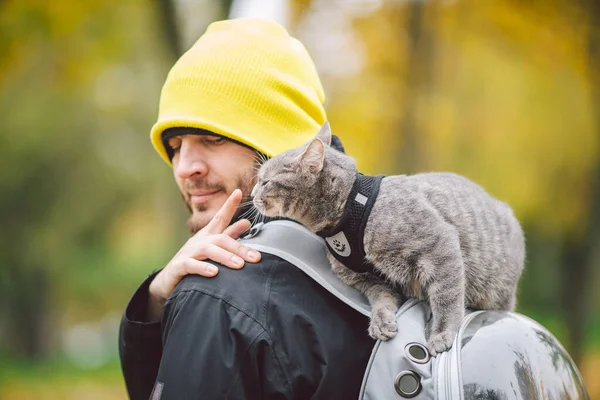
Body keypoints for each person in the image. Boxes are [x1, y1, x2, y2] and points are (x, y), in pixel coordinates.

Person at [119, 18, 375, 400]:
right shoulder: (381, 256)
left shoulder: (217, 297)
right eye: (175, 146)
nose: (185, 167)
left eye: (212, 137)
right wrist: (155, 300)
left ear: (279, 145)